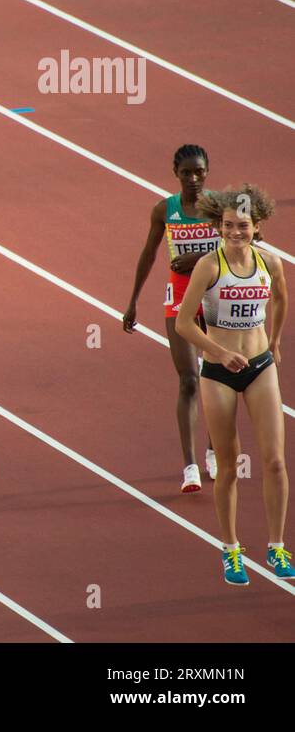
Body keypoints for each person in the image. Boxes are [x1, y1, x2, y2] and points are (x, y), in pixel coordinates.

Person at [175, 184, 288, 584]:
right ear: (218, 227)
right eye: (227, 226)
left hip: (259, 366)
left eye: (242, 225)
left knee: (275, 460)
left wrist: (273, 343)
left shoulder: (270, 262)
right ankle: (231, 550)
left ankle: (277, 546)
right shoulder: (210, 265)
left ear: (257, 226)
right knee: (228, 467)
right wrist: (218, 352)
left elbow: (280, 299)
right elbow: (183, 323)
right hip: (219, 373)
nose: (234, 232)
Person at [122, 144, 220, 492]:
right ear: (175, 174)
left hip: (216, 297)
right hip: (180, 299)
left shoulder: (220, 208)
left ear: (207, 172)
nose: (193, 178)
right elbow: (149, 254)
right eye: (186, 173)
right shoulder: (165, 210)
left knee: (218, 379)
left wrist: (195, 258)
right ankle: (190, 466)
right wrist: (132, 301)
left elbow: (247, 244)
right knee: (189, 380)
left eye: (199, 171)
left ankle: (214, 451)